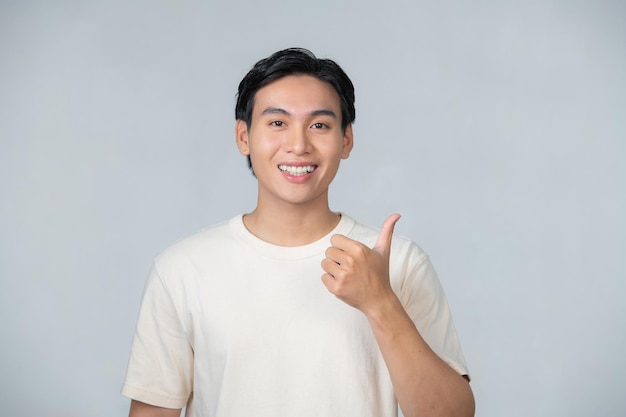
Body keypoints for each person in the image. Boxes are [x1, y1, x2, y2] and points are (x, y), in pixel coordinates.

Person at [122, 47, 475, 417]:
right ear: (243, 136)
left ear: (346, 140)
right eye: (277, 123)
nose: (298, 145)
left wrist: (380, 302)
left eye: (319, 125)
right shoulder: (182, 269)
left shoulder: (398, 263)